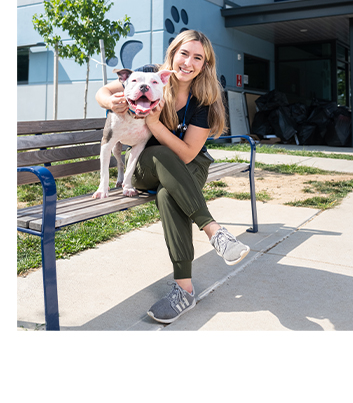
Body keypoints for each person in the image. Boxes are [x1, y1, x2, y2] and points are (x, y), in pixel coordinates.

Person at [95, 29, 249, 324]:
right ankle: (215, 232)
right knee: (162, 154)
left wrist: (153, 122)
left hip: (189, 166)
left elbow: (189, 154)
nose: (188, 62)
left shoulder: (203, 100)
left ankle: (184, 291)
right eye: (184, 54)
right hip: (146, 165)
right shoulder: (152, 76)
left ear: (205, 64)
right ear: (173, 54)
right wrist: (109, 102)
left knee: (169, 194)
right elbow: (105, 90)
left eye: (197, 58)